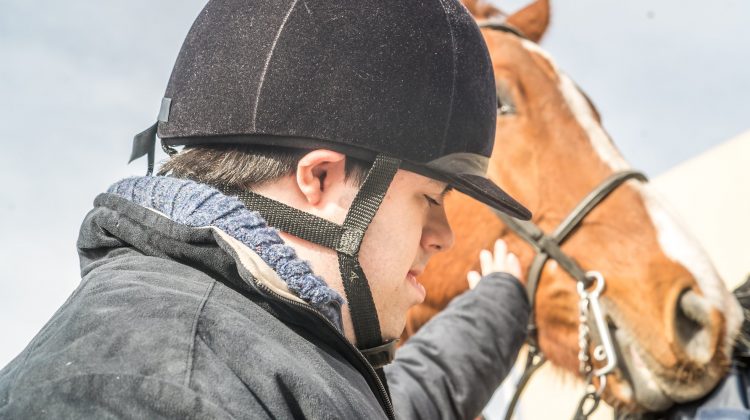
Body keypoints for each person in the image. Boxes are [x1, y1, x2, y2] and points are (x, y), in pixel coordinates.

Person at [0, 0, 532, 418]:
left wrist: (498, 307)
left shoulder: (251, 357)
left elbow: (404, 401)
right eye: (431, 200)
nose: (444, 236)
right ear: (319, 179)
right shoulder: (159, 390)